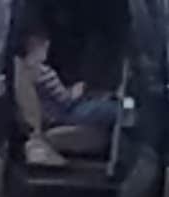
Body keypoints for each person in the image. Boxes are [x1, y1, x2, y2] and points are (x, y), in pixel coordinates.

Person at [18, 23, 120, 168]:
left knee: (101, 99)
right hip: (64, 114)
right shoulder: (42, 72)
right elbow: (64, 100)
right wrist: (76, 90)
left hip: (58, 112)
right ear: (34, 45)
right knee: (115, 109)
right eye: (44, 45)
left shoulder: (25, 69)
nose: (47, 48)